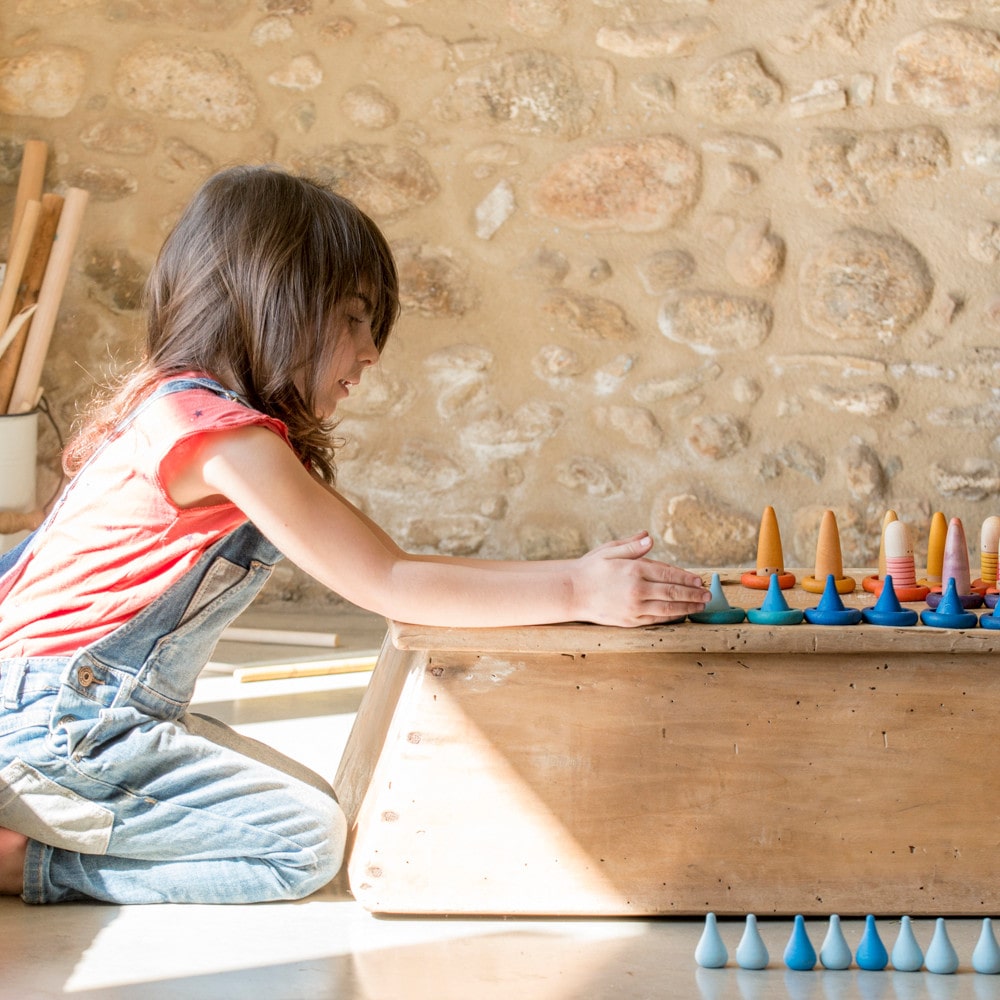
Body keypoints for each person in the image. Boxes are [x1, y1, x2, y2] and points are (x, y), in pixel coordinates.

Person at [0, 165, 710, 905]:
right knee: (305, 843)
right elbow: (387, 586)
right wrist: (573, 589)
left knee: (325, 804)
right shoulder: (215, 438)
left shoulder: (201, 418)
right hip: (58, 723)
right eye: (353, 317)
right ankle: (21, 863)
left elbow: (394, 565)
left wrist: (576, 576)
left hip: (73, 712)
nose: (371, 352)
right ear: (275, 303)